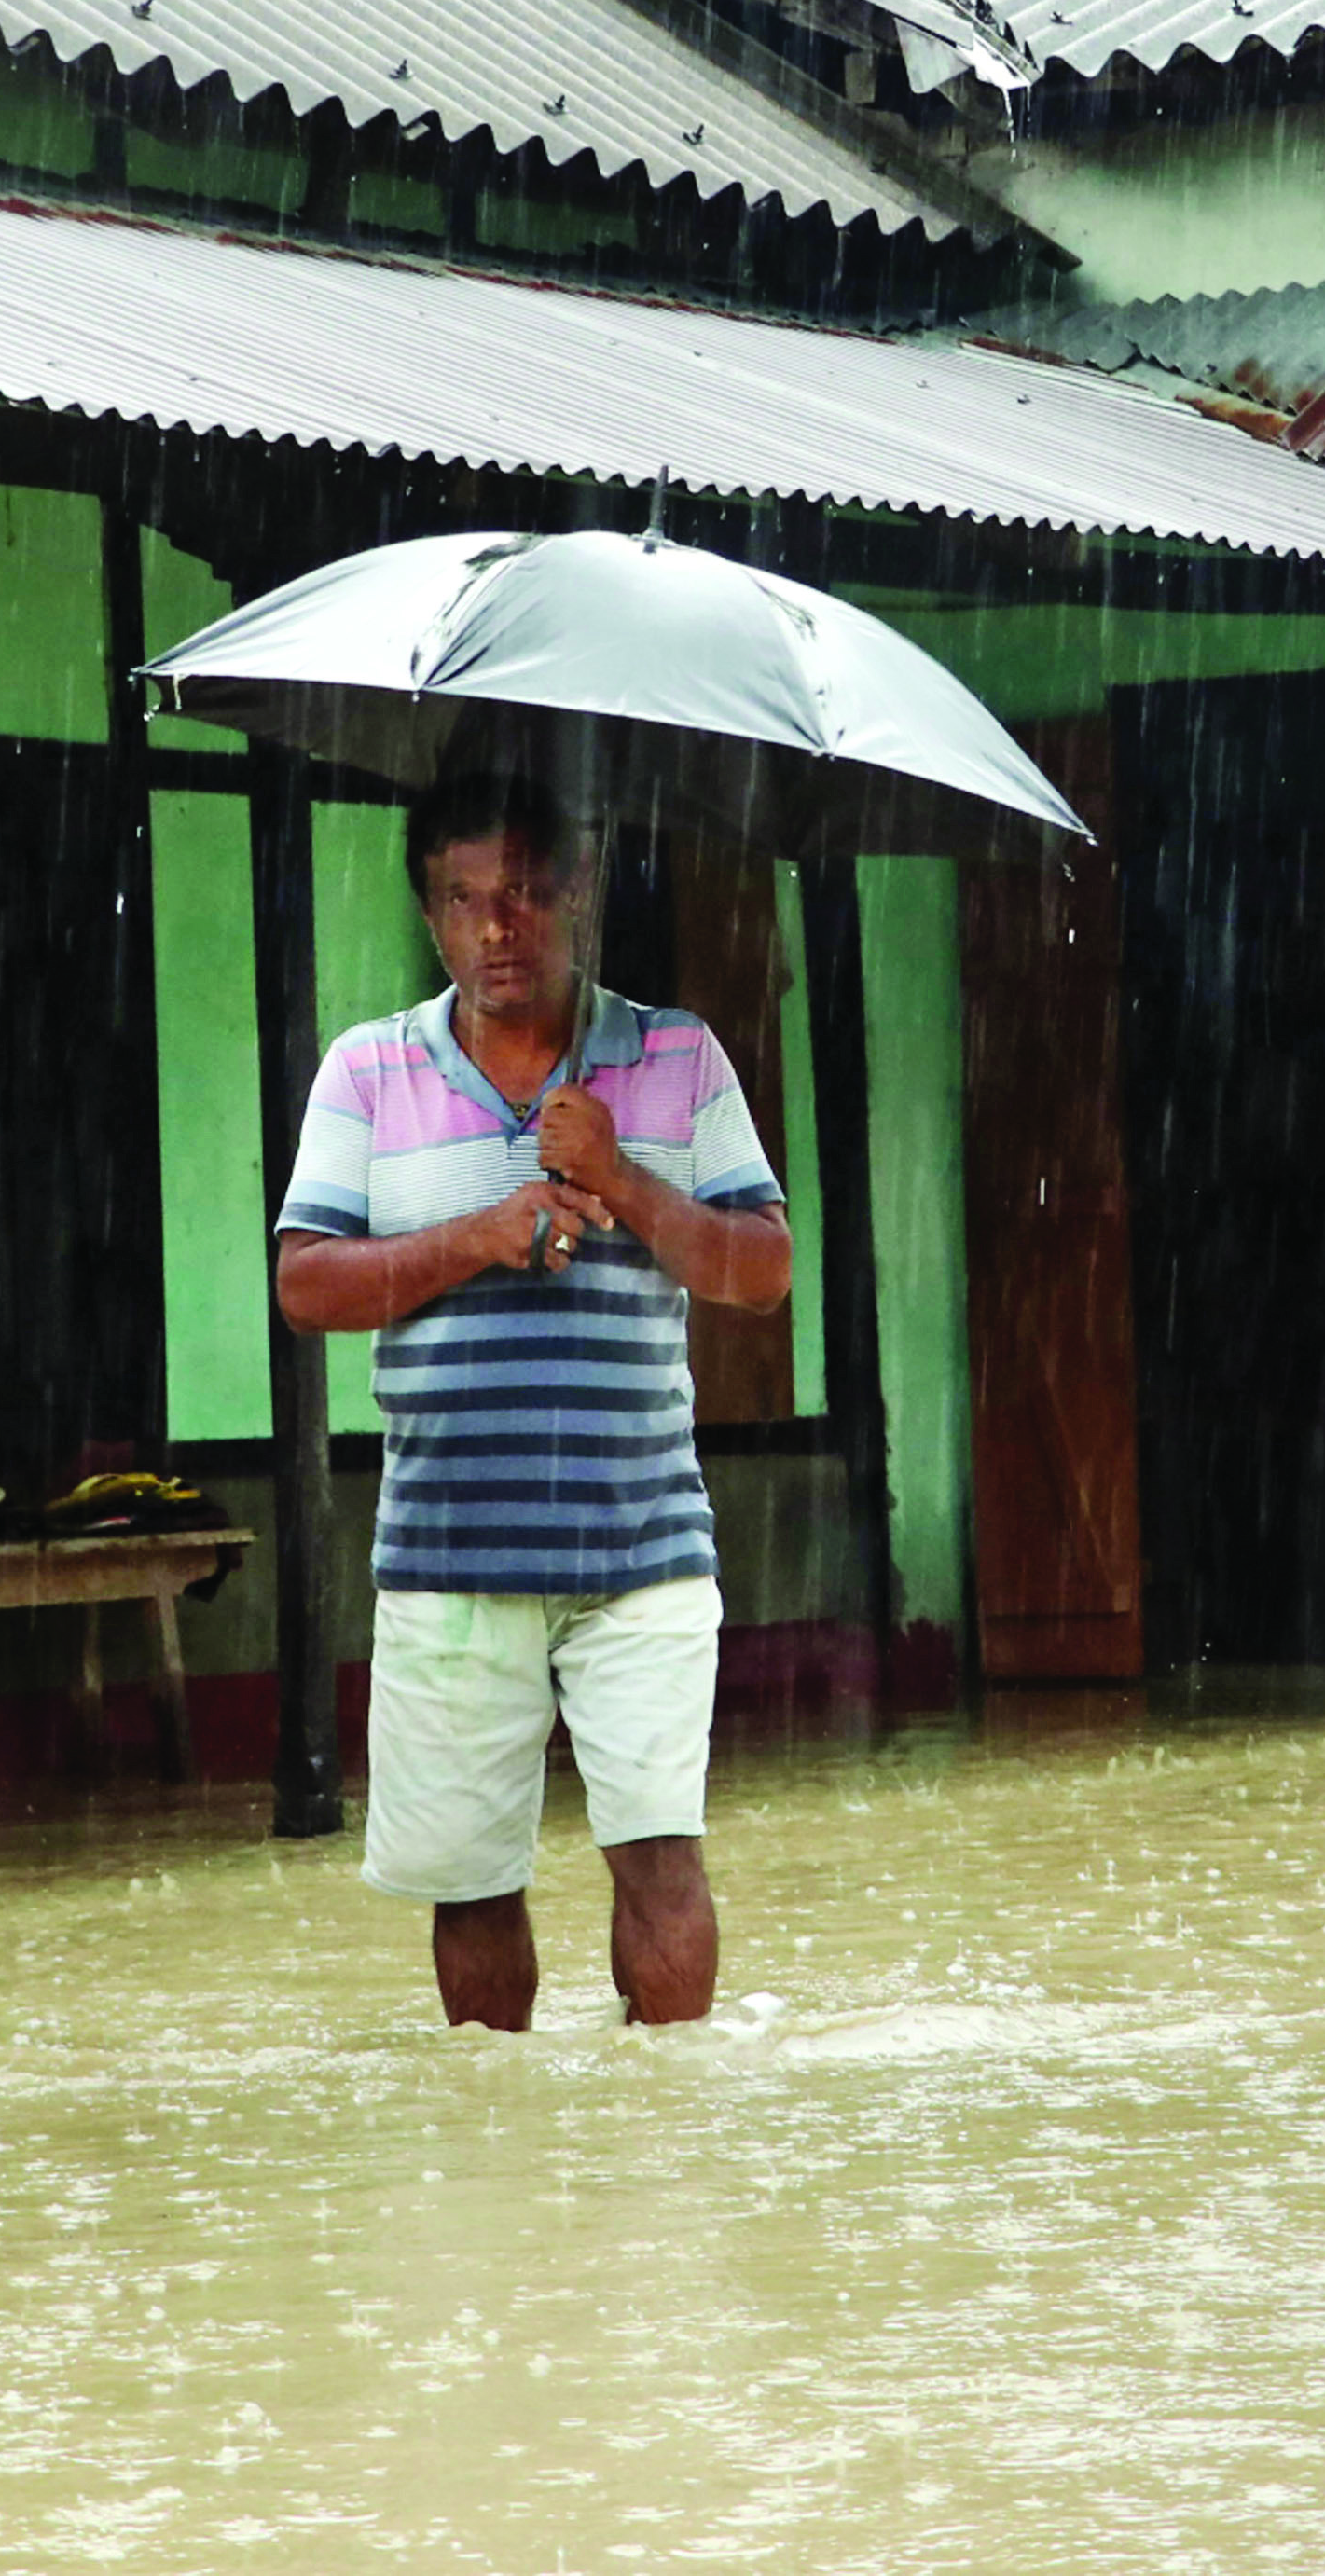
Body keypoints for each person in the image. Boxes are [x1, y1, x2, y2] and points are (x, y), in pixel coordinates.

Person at [270, 775, 795, 2029]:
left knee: (661, 1860)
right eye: (462, 901)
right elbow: (305, 1284)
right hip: (448, 1557)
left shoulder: (677, 1054)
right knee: (471, 1886)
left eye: (524, 896)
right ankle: (499, 2191)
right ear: (429, 911)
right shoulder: (366, 1070)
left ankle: (665, 2168)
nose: (496, 930)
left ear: (580, 897)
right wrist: (486, 1232)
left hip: (643, 1547)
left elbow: (763, 1273)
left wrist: (621, 1172)